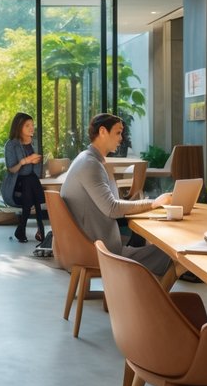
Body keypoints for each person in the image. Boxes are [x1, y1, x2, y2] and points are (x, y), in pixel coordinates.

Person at [59, 113, 173, 277]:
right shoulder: (90, 164)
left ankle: (144, 288)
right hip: (98, 250)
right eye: (118, 133)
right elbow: (112, 208)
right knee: (173, 253)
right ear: (103, 131)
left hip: (85, 243)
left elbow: (108, 204)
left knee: (158, 247)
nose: (121, 138)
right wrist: (154, 203)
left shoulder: (86, 159)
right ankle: (152, 292)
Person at [2, 112, 46, 243]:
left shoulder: (35, 143)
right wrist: (25, 161)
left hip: (30, 184)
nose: (32, 128)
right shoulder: (11, 144)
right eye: (27, 125)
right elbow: (11, 169)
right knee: (29, 182)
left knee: (31, 181)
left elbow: (37, 170)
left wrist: (38, 161)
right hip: (17, 185)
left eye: (32, 125)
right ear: (19, 127)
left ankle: (23, 229)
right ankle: (40, 229)